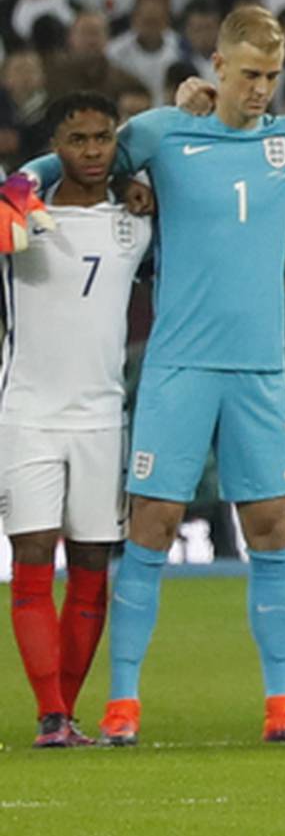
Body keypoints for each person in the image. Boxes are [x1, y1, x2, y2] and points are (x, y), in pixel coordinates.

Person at [19, 7, 285, 748]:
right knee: (150, 526)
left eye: (272, 77)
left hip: (260, 369)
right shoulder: (163, 132)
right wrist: (21, 185)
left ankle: (283, 703)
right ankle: (123, 703)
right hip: (179, 365)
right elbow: (81, 159)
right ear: (216, 65)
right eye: (249, 74)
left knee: (272, 528)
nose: (260, 90)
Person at [1, 93, 149, 746]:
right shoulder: (16, 211)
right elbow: (14, 183)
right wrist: (28, 174)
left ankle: (65, 711)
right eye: (78, 139)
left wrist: (134, 185)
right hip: (27, 412)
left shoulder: (137, 221)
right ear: (53, 146)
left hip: (100, 417)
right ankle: (50, 714)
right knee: (33, 554)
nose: (92, 151)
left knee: (92, 561)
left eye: (103, 139)